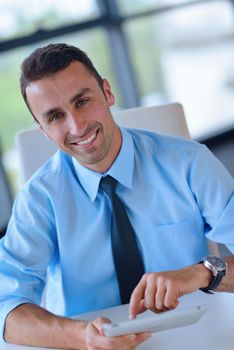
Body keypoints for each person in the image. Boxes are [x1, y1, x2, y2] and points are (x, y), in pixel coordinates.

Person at [0, 43, 233, 350]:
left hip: (196, 336)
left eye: (82, 101)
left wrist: (202, 273)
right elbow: (5, 307)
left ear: (107, 93)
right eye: (55, 117)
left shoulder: (189, 163)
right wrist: (82, 336)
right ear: (43, 130)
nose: (77, 126)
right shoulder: (39, 199)